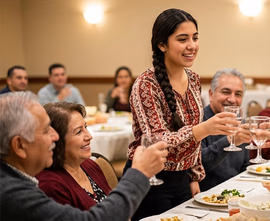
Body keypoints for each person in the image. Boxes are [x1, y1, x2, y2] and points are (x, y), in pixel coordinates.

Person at [125, 8, 238, 220]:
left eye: (195, 38)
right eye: (182, 39)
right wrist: (202, 130)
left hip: (182, 180)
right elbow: (156, 140)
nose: (192, 46)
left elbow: (193, 140)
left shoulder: (194, 79)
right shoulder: (146, 84)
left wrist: (194, 176)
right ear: (162, 45)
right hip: (150, 178)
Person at [0, 91, 168, 220]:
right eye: (45, 130)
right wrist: (139, 174)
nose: (55, 136)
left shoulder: (88, 165)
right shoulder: (13, 194)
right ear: (19, 146)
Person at [38, 102, 112, 210]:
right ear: (55, 140)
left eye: (85, 127)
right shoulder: (50, 186)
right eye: (78, 132)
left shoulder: (89, 165)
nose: (89, 136)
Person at [200, 68, 252, 191]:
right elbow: (199, 165)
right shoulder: (199, 121)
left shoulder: (240, 122)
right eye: (226, 92)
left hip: (235, 193)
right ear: (211, 94)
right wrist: (230, 140)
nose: (232, 99)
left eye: (238, 94)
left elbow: (244, 166)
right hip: (206, 196)